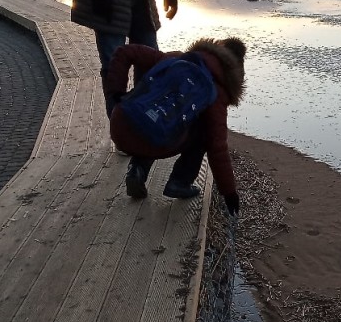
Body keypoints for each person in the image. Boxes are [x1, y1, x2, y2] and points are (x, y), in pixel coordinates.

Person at [104, 37, 246, 216]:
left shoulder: (176, 58)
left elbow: (124, 52)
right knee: (203, 134)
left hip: (120, 124)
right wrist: (230, 193)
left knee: (154, 116)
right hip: (150, 140)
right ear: (236, 70)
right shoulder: (216, 93)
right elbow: (217, 147)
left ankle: (138, 169)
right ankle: (180, 182)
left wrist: (116, 94)